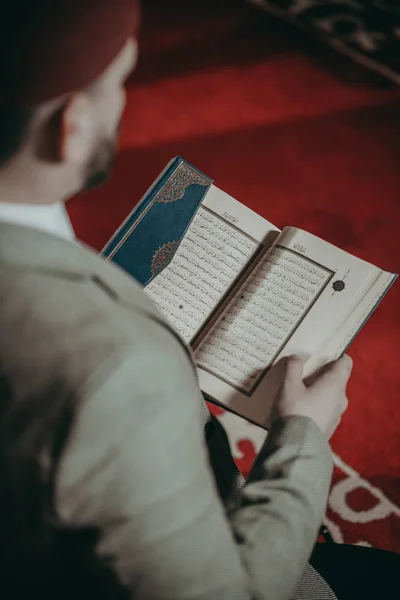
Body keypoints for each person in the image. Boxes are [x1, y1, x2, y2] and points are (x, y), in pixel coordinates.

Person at [0, 2, 364, 599]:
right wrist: (304, 437)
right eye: (121, 82)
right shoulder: (112, 369)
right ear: (73, 124)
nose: (123, 99)